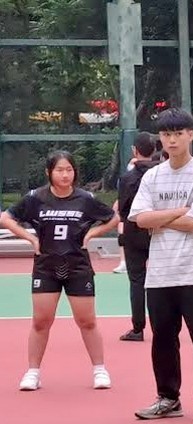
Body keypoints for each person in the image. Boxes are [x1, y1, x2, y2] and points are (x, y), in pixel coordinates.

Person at [127, 107, 193, 423]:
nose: (172, 140)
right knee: (163, 339)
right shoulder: (152, 176)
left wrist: (161, 217)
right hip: (160, 273)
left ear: (191, 135)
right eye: (166, 134)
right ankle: (168, 398)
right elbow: (140, 219)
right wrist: (180, 211)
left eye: (178, 134)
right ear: (160, 138)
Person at [0, 150, 118, 391]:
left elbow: (113, 218)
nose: (65, 175)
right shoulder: (35, 198)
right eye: (60, 170)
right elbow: (6, 218)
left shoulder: (85, 198)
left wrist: (92, 234)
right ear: (49, 172)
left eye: (69, 170)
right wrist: (30, 239)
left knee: (87, 321)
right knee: (41, 321)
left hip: (78, 266)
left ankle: (99, 369)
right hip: (46, 266)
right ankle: (33, 372)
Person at [116, 132, 165, 342]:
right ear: (154, 150)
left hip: (134, 231)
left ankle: (138, 328)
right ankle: (162, 326)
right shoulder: (163, 175)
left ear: (134, 150)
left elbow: (123, 208)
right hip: (158, 229)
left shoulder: (127, 178)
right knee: (161, 280)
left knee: (137, 281)